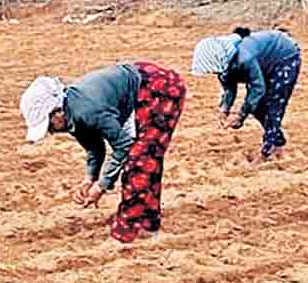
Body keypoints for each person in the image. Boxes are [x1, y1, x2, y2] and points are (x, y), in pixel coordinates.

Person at [20, 61, 186, 243]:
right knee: (145, 157)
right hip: (141, 85)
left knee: (139, 162)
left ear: (57, 112)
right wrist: (89, 180)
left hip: (159, 87)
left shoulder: (87, 111)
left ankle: (129, 233)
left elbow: (123, 145)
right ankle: (147, 222)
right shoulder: (71, 116)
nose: (51, 131)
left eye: (49, 125)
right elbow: (95, 148)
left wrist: (101, 186)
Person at [191, 26, 301, 162]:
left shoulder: (245, 59)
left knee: (273, 105)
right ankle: (277, 141)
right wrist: (224, 110)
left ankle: (267, 151)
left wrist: (240, 115)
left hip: (284, 56)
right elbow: (229, 89)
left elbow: (257, 87)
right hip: (264, 63)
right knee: (256, 108)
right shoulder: (225, 64)